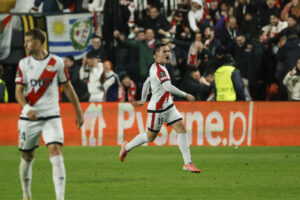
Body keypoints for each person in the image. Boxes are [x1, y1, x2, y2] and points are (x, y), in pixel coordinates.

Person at [15, 28, 84, 200]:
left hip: (52, 117)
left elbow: (67, 87)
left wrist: (79, 111)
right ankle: (26, 193)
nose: (25, 44)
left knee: (55, 150)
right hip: (28, 118)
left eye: (28, 41)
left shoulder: (57, 62)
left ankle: (60, 198)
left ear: (38, 42)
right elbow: (18, 92)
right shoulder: (23, 64)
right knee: (27, 156)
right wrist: (27, 109)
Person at [119, 43, 201, 173]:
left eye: (168, 51)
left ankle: (187, 163)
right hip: (157, 109)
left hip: (168, 105)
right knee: (150, 137)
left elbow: (147, 82)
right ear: (156, 54)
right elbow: (168, 87)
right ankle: (127, 146)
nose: (167, 54)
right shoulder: (159, 70)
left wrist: (143, 99)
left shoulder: (155, 67)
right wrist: (186, 95)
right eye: (164, 51)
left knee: (181, 129)